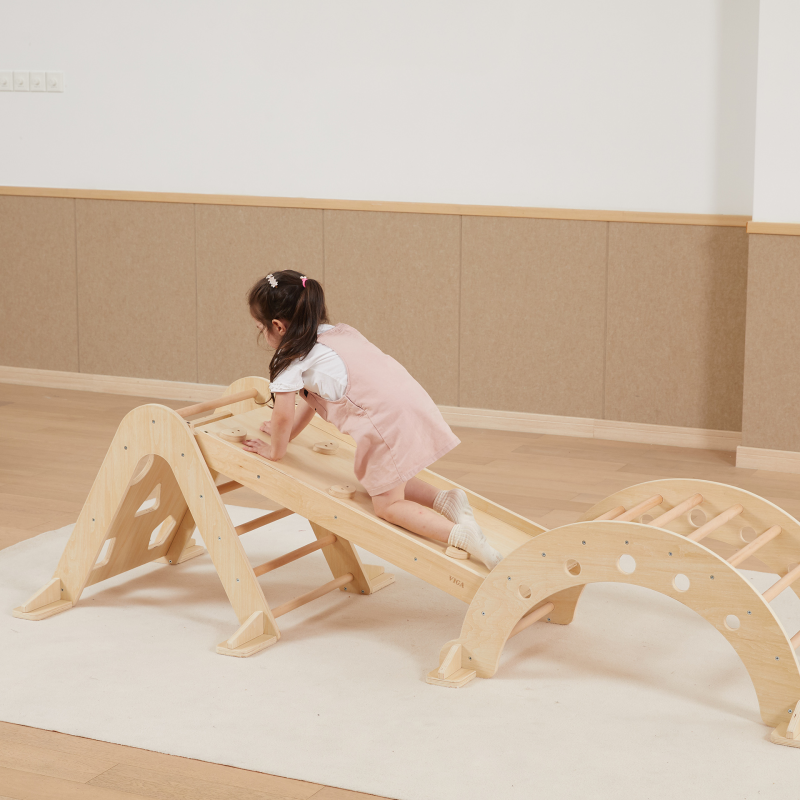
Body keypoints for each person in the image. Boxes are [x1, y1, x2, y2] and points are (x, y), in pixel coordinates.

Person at [241, 269, 502, 570]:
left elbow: (283, 414)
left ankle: (460, 535)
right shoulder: (338, 333)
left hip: (385, 423)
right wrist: (284, 435)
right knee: (382, 479)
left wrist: (275, 450)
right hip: (409, 403)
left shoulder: (293, 361)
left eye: (261, 328)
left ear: (278, 326)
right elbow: (309, 406)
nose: (263, 334)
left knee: (388, 505)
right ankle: (447, 500)